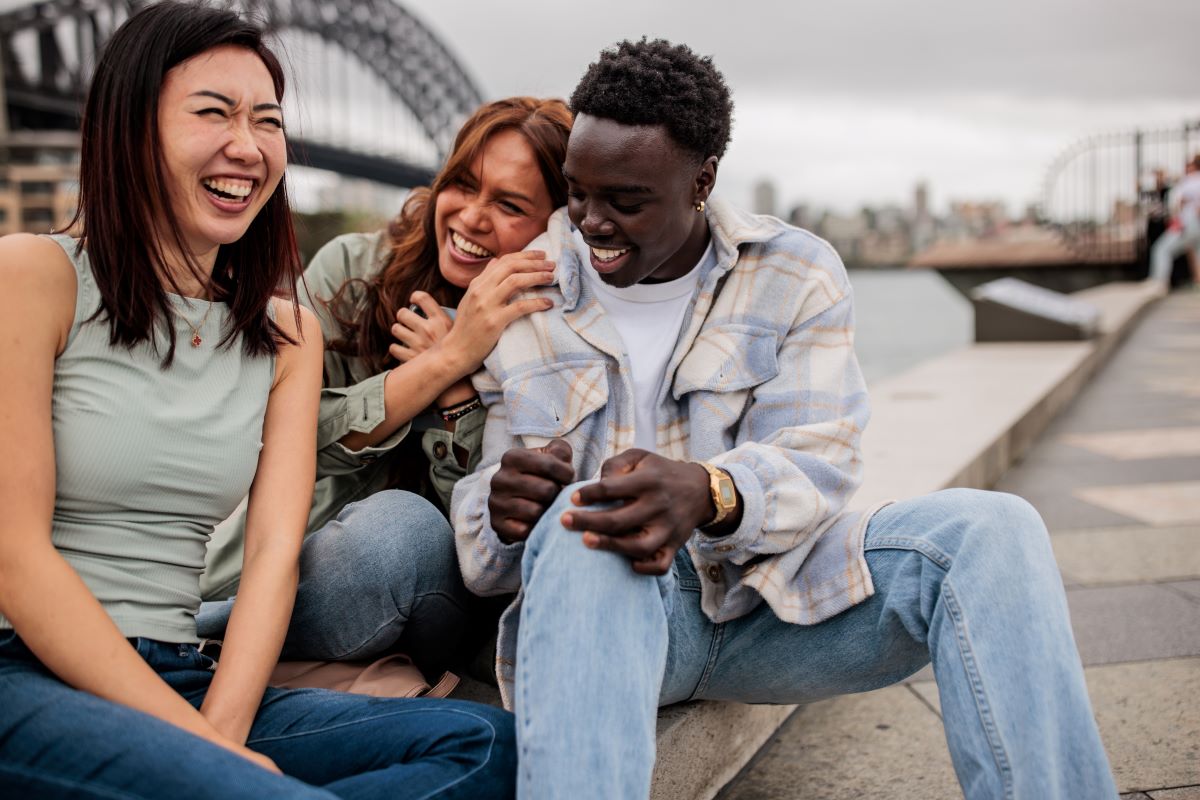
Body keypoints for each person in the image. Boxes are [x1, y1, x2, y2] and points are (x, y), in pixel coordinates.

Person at [451, 39, 1118, 799]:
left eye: (625, 201)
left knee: (998, 532)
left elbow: (821, 458)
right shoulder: (523, 292)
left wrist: (710, 491)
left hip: (777, 607)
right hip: (618, 627)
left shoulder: (794, 271)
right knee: (583, 520)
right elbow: (480, 553)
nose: (590, 223)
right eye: (576, 193)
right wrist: (503, 513)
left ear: (701, 179)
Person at [0, 3, 514, 797]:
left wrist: (224, 734)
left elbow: (275, 558)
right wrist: (209, 758)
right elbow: (15, 559)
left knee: (491, 747)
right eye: (213, 113)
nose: (247, 146)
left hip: (183, 671)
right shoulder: (35, 277)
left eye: (267, 121)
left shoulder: (284, 336)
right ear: (130, 130)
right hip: (22, 669)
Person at [199, 97, 572, 678]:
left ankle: (186, 641)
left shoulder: (557, 338)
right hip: (281, 570)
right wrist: (442, 363)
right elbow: (278, 442)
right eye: (463, 185)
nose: (471, 217)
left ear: (555, 228)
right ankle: (193, 634)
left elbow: (497, 545)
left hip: (438, 599)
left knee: (399, 529)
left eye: (509, 205)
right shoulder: (355, 270)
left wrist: (459, 400)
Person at [1149, 154, 1200, 287]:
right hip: (1194, 222)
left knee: (1161, 249)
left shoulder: (1190, 181)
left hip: (1188, 221)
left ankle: (1159, 282)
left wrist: (1178, 222)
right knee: (1197, 252)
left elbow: (1179, 205)